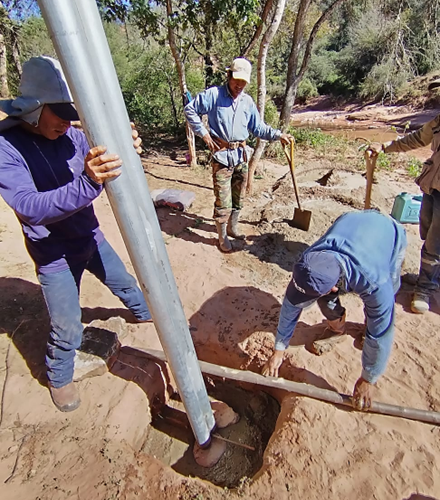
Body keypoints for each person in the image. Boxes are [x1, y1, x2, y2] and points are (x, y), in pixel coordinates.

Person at [0, 56, 153, 413]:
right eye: (59, 114)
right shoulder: (7, 147)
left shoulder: (73, 137)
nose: (67, 123)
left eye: (72, 114)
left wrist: (124, 148)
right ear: (33, 109)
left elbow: (106, 159)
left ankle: (149, 315)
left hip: (89, 236)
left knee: (126, 283)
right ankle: (59, 376)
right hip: (53, 253)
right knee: (68, 326)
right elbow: (29, 206)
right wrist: (88, 182)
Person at [262, 210, 407, 411]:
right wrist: (279, 350)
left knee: (382, 304)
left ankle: (365, 329)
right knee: (323, 298)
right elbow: (290, 307)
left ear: (333, 287)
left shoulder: (374, 281)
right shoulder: (310, 261)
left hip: (388, 234)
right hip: (350, 220)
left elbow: (382, 329)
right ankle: (337, 328)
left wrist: (369, 378)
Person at [184, 57, 292, 252]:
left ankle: (232, 228)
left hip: (241, 157)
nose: (239, 85)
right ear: (229, 76)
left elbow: (258, 128)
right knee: (223, 200)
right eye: (236, 80)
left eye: (243, 82)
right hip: (221, 157)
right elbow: (190, 110)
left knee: (238, 197)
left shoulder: (247, 102)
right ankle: (222, 237)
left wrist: (279, 135)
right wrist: (204, 133)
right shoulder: (214, 95)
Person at [368, 77, 440, 314]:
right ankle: (431, 276)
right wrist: (386, 147)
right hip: (432, 187)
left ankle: (425, 288)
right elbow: (417, 139)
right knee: (427, 231)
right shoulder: (438, 121)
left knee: (435, 243)